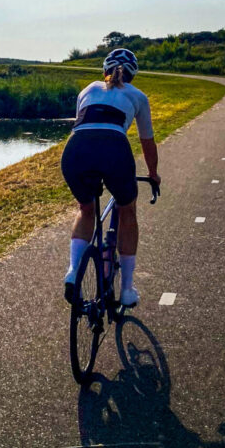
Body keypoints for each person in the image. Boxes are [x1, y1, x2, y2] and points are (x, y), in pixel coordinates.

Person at [60, 48, 161, 307]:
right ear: (133, 75)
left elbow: (85, 125)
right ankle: (127, 290)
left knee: (86, 210)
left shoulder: (88, 89)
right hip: (114, 150)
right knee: (127, 211)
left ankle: (73, 271)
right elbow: (147, 142)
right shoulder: (137, 96)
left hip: (75, 150)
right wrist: (153, 174)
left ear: (104, 71)